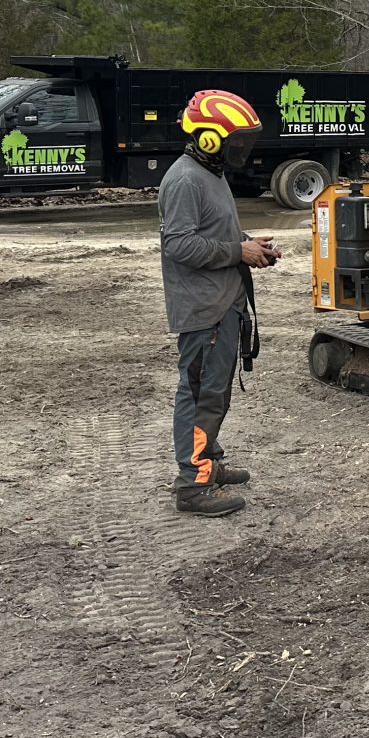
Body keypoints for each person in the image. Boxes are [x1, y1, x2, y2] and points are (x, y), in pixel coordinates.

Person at [159, 89, 279, 517]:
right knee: (199, 395)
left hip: (223, 303)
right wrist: (236, 253)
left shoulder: (211, 172)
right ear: (209, 138)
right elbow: (179, 244)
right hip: (203, 308)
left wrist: (249, 245)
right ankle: (192, 485)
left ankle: (207, 464)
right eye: (236, 139)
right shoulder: (186, 178)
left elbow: (212, 232)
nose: (241, 148)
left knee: (215, 392)